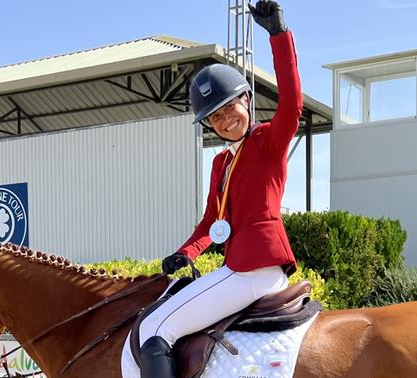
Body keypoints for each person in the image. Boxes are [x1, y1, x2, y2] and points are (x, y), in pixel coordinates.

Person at [129, 1, 302, 377]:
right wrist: (185, 253)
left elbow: (292, 101)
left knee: (155, 328)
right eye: (216, 117)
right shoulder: (220, 163)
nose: (226, 120)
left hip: (255, 267)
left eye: (230, 108)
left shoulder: (269, 141)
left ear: (247, 101)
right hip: (236, 266)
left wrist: (278, 34)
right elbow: (213, 220)